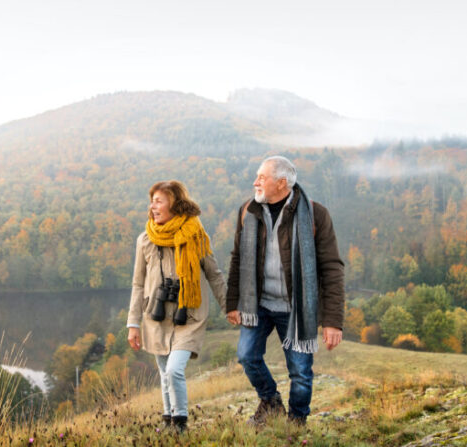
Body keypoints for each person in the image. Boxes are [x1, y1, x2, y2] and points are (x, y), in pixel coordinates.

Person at [225, 155, 345, 426]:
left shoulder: (315, 215)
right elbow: (237, 258)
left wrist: (333, 322)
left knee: (300, 372)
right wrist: (233, 302)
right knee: (247, 356)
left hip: (296, 308)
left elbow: (332, 268)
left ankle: (296, 423)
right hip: (259, 304)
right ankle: (270, 401)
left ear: (281, 184)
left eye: (262, 178)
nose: (255, 182)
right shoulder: (248, 211)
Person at [127, 180, 226, 433]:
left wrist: (229, 307)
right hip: (156, 315)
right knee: (163, 372)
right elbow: (138, 284)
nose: (153, 206)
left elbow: (214, 274)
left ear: (175, 204)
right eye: (152, 201)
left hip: (189, 315)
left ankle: (180, 423)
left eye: (159, 201)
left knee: (173, 370)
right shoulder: (145, 240)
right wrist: (133, 323)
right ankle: (168, 419)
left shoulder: (196, 237)